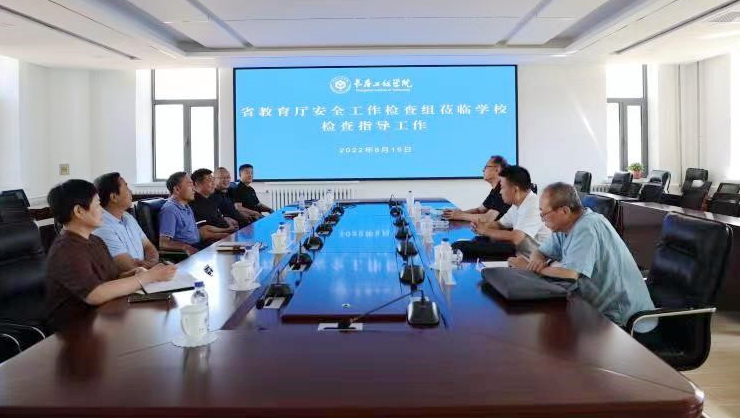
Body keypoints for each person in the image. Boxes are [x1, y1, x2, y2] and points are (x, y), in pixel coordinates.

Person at [507, 182, 657, 332]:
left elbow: (569, 274)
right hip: (596, 312)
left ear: (564, 211)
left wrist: (530, 268)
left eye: (544, 214)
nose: (542, 219)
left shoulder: (587, 227)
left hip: (626, 321)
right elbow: (540, 252)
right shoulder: (565, 226)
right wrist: (536, 262)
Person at [45, 179, 176, 331]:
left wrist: (133, 274)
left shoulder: (95, 240)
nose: (102, 210)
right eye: (97, 205)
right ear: (79, 211)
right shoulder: (66, 249)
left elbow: (111, 278)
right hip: (76, 329)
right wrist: (149, 277)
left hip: (106, 317)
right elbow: (95, 294)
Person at [471, 165, 551, 254]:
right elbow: (500, 224)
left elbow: (517, 238)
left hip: (538, 259)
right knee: (475, 243)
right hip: (523, 254)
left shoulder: (534, 206)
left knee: (467, 247)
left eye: (502, 187)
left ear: (515, 190)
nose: (500, 192)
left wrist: (485, 231)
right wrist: (481, 226)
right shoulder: (517, 204)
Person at [92, 172, 160, 272]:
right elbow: (127, 267)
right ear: (114, 197)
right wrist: (150, 268)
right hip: (130, 278)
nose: (130, 191)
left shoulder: (128, 217)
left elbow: (148, 246)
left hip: (145, 273)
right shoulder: (102, 226)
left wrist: (151, 262)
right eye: (126, 187)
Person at [159, 172, 233, 255]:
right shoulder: (170, 210)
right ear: (177, 189)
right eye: (190, 185)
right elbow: (163, 243)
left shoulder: (186, 207)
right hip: (190, 251)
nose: (194, 189)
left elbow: (195, 234)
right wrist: (186, 247)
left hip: (200, 245)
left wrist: (225, 234)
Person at [444, 155, 511, 222]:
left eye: (486, 167)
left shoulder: (503, 189)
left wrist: (459, 215)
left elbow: (488, 218)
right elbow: (479, 210)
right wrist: (454, 213)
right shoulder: (495, 189)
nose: (483, 170)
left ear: (497, 170)